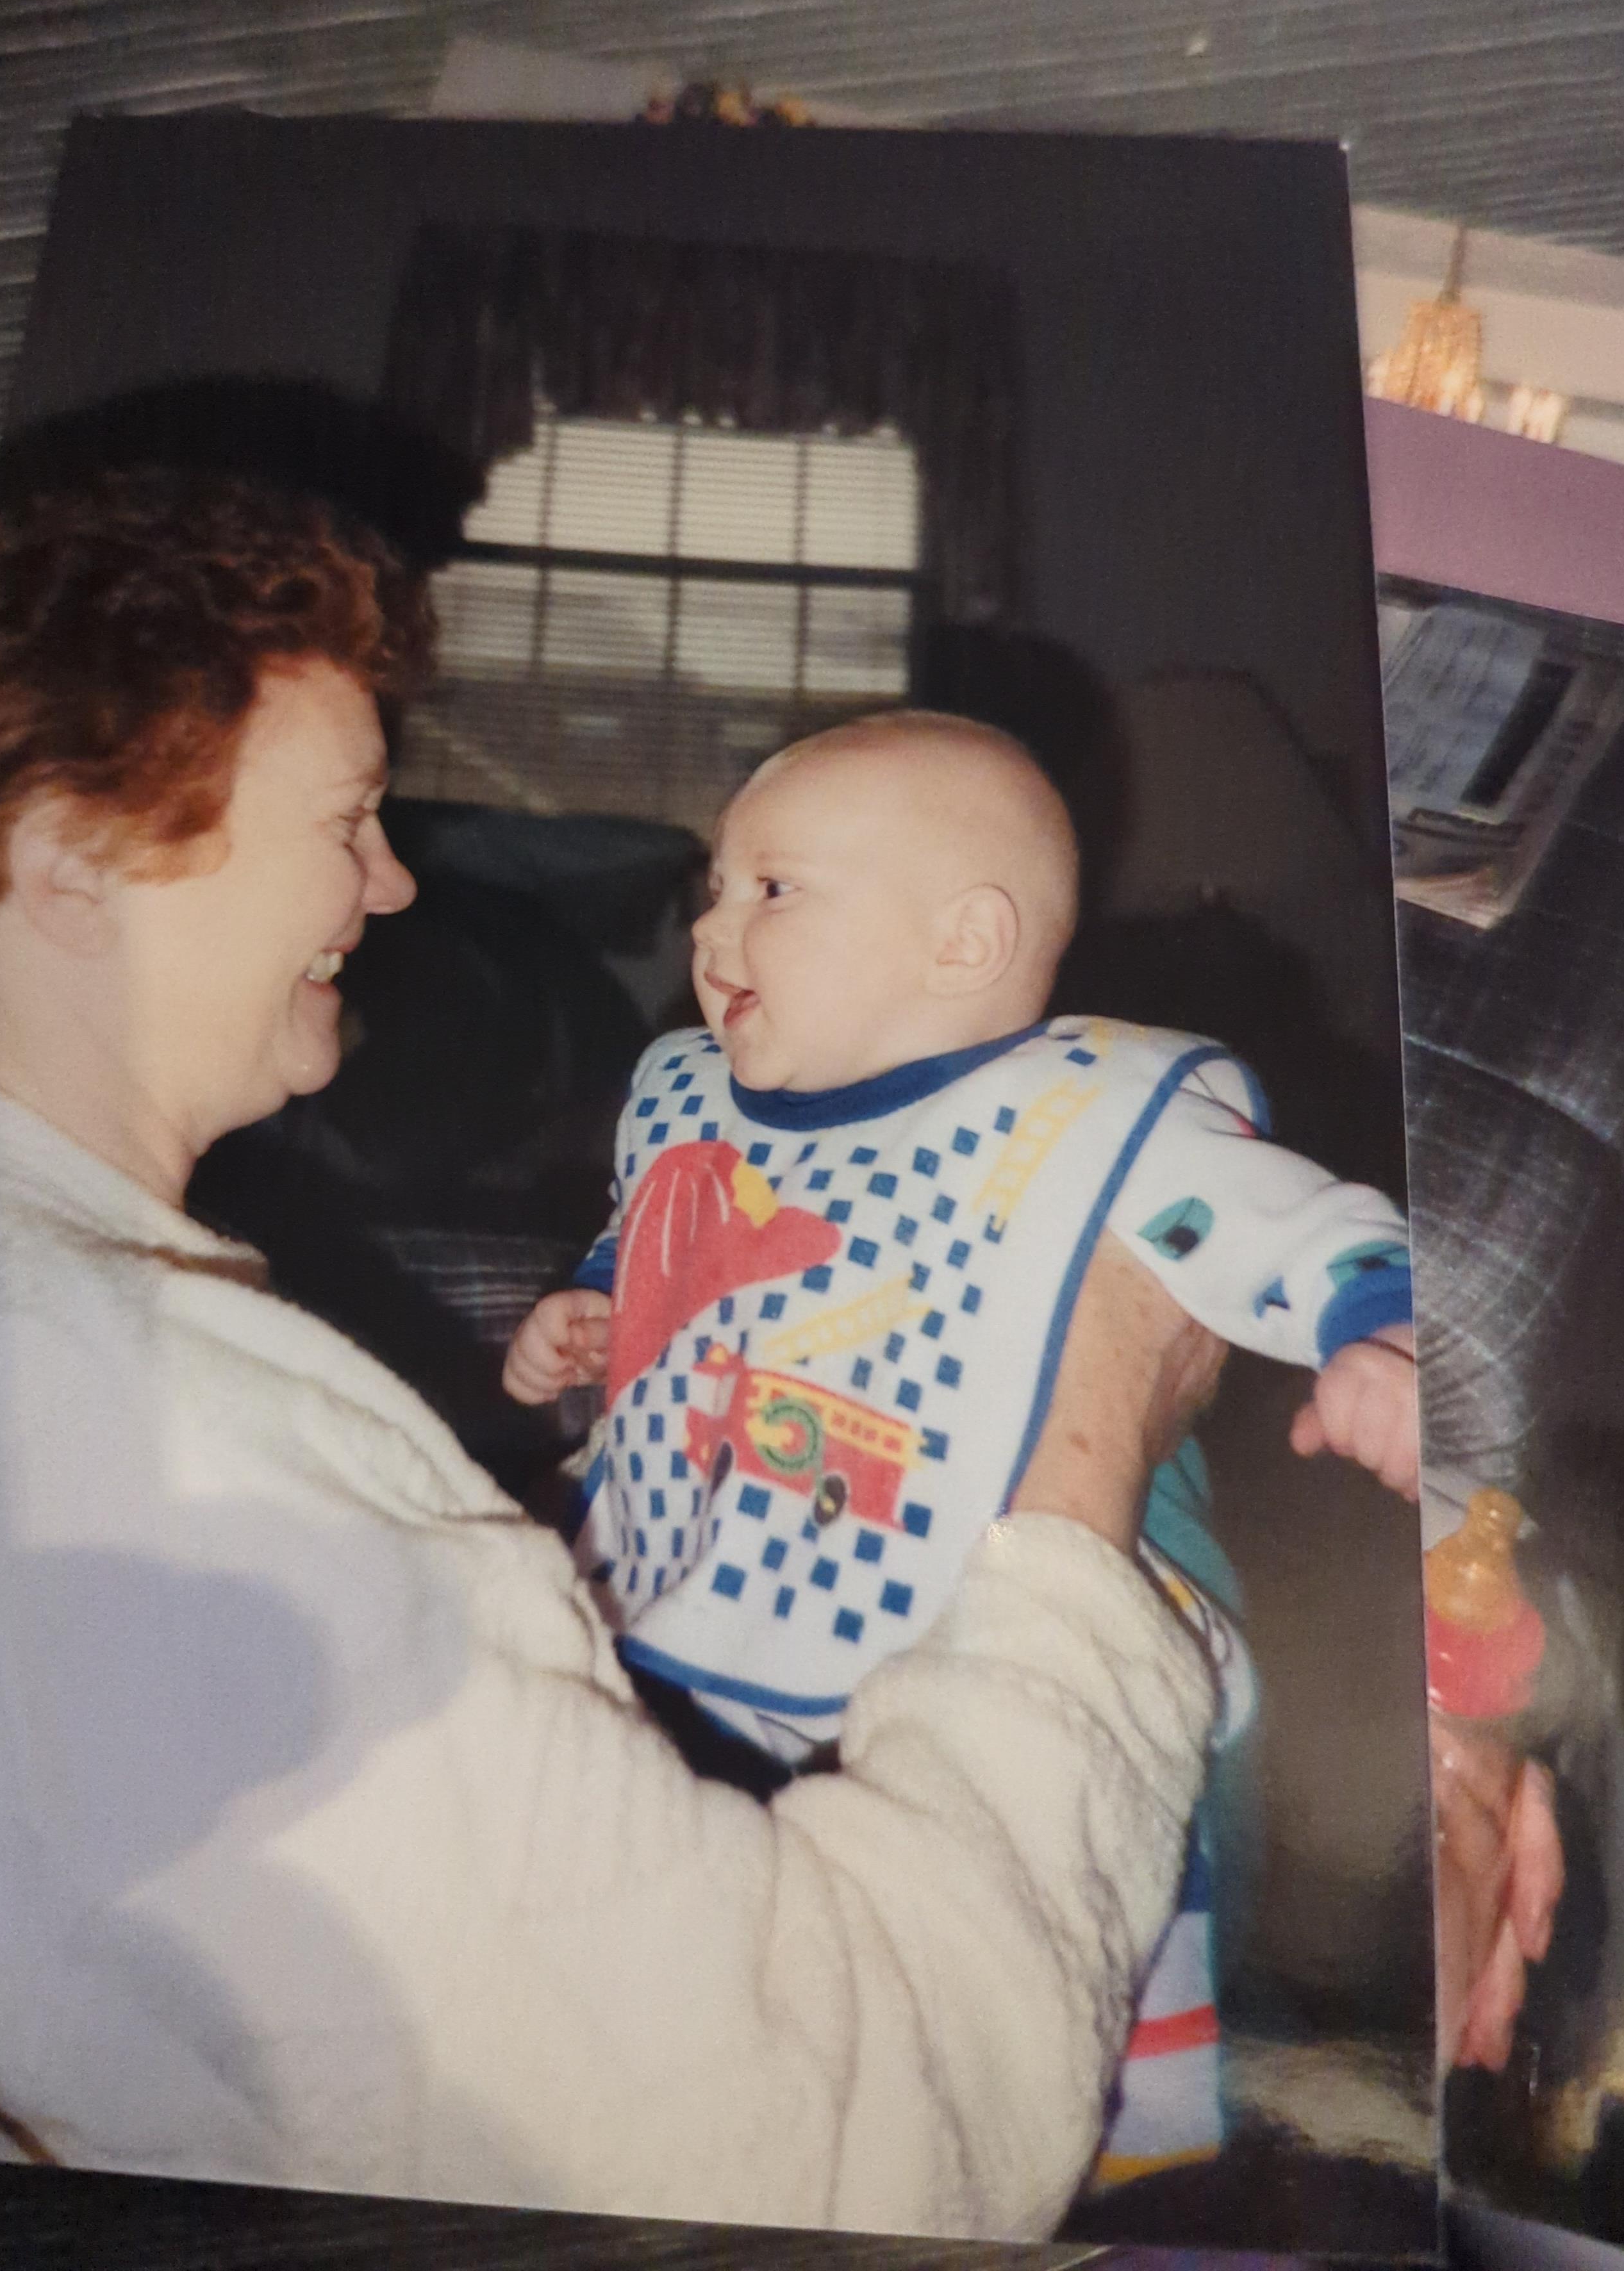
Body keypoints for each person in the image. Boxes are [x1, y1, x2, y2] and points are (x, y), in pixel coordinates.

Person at [0, 470, 1225, 2240]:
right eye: (347, 816)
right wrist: (1088, 1462)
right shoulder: (146, 1445)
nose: (393, 874)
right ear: (73, 858)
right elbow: (871, 2151)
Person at [504, 709, 1426, 2177]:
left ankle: (1136, 2098)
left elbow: (1296, 1231)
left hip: (970, 1604)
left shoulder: (1097, 1120)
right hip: (706, 1578)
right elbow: (659, 1232)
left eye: (774, 890)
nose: (714, 929)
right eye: (715, 892)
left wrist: (1370, 1333)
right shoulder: (700, 1100)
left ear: (963, 942)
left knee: (1137, 1788)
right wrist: (592, 1310)